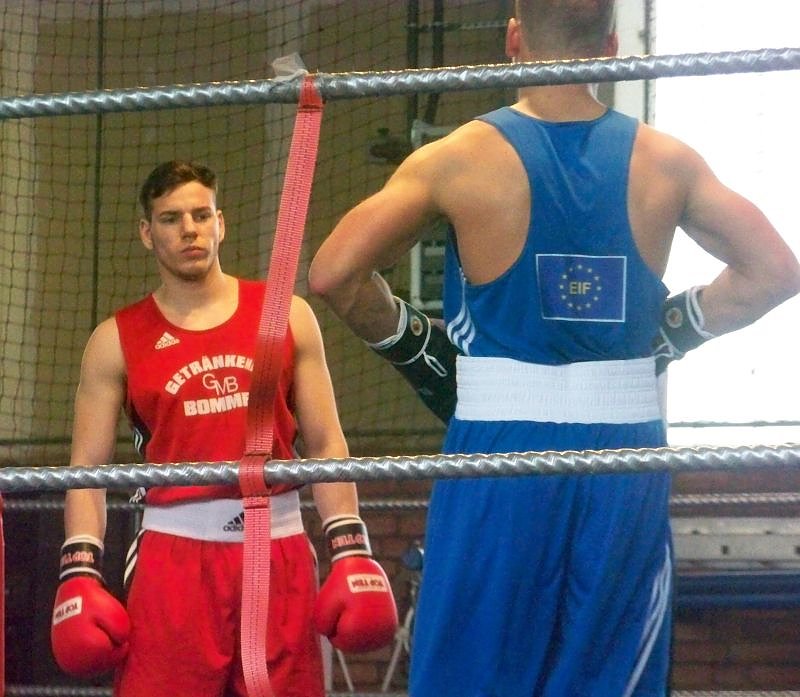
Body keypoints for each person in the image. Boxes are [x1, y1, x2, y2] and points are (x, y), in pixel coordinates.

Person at [307, 1, 800, 695]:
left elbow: (332, 273)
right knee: (606, 672)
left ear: (513, 40)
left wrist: (413, 344)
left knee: (474, 671)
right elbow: (775, 271)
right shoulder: (667, 161)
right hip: (622, 449)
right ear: (609, 47)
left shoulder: (458, 158)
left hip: (500, 449)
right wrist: (675, 329)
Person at [50, 160, 398, 697]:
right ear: (147, 233)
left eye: (199, 214)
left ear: (221, 223)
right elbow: (86, 469)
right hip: (174, 558)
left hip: (277, 548)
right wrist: (79, 568)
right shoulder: (115, 338)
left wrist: (351, 547)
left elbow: (327, 443)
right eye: (170, 219)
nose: (189, 229)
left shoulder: (287, 313)